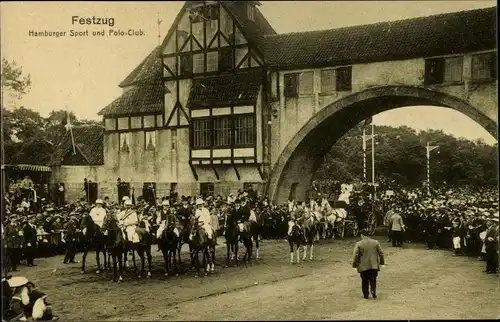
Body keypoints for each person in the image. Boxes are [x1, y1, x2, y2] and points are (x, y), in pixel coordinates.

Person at [352, 228, 385, 299]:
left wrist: (355, 264)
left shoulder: (359, 244)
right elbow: (381, 253)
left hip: (363, 266)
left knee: (364, 281)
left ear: (362, 235)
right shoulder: (375, 242)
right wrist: (382, 262)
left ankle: (366, 294)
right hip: (374, 265)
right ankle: (373, 291)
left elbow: (356, 255)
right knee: (373, 279)